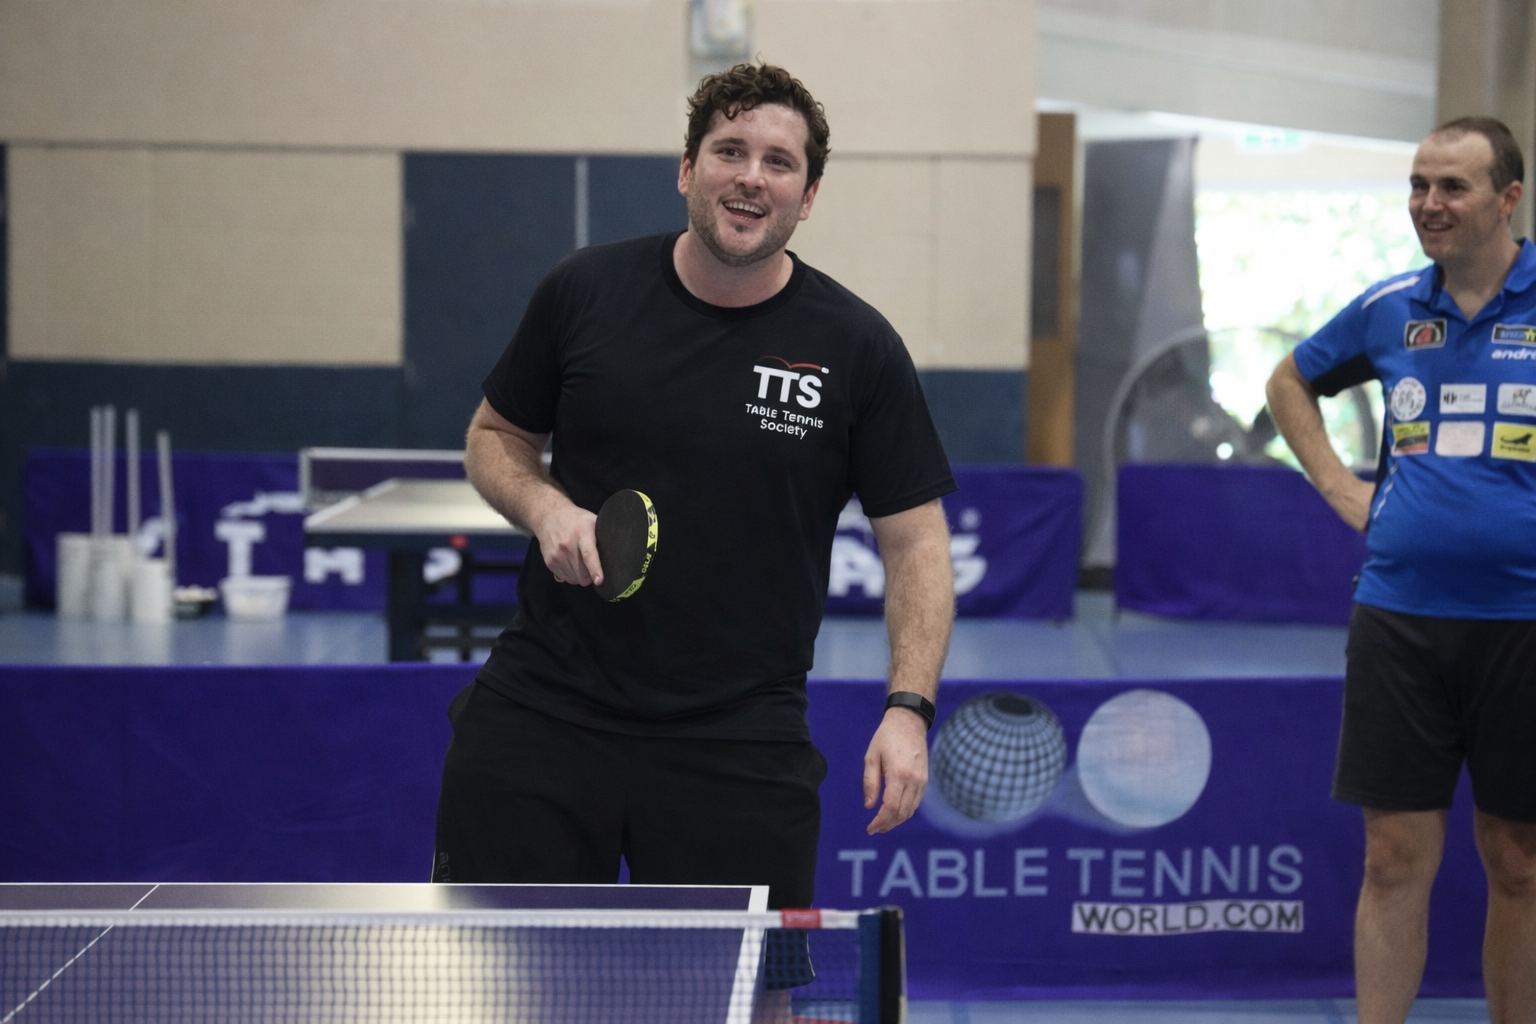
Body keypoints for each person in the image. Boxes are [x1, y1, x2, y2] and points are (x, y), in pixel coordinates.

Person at [432, 63, 957, 914]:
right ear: (687, 170)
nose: (752, 175)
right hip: (545, 717)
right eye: (730, 150)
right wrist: (545, 506)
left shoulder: (857, 346)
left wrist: (908, 709)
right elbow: (495, 438)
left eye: (779, 162)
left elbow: (917, 542)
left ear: (808, 196)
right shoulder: (584, 292)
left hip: (740, 742)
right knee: (501, 986)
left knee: (755, 998)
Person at [1266, 116, 1536, 1024]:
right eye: (1420, 185)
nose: (1429, 205)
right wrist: (1344, 489)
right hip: (1400, 621)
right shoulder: (1389, 308)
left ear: (1508, 198)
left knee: (1519, 861)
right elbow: (1288, 382)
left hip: (1525, 625)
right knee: (1391, 859)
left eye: (1452, 187)